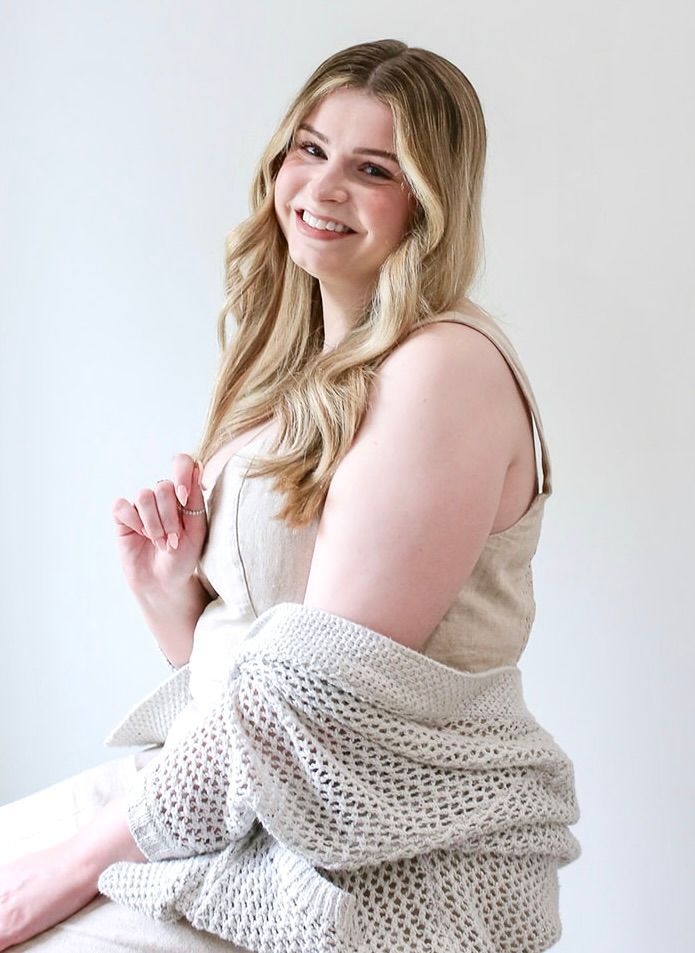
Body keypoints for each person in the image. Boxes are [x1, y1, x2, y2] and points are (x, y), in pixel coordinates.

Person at [0, 38, 576, 951]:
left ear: (428, 202)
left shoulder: (443, 370)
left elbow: (315, 695)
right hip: (256, 803)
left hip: (381, 855)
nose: (321, 187)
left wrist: (72, 869)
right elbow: (263, 672)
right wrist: (172, 602)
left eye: (372, 168)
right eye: (308, 149)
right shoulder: (288, 368)